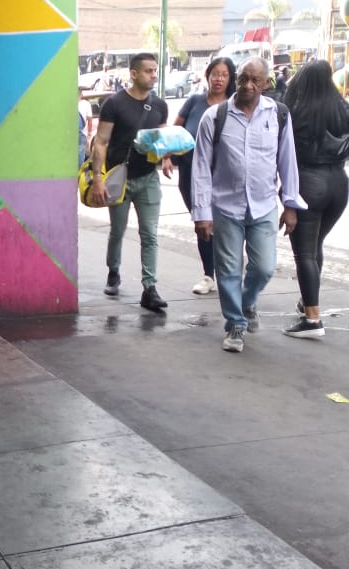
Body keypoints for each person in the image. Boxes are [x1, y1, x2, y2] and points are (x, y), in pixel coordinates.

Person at [191, 57, 306, 354]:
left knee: (265, 267)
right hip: (225, 206)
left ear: (266, 84)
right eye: (243, 78)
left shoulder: (278, 115)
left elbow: (287, 161)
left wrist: (290, 204)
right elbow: (201, 168)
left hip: (264, 204)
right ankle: (235, 324)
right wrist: (202, 214)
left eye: (255, 80)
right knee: (228, 269)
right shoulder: (215, 117)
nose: (247, 85)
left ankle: (247, 301)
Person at [89, 51, 172, 312]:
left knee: (150, 234)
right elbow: (101, 143)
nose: (153, 75)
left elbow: (160, 138)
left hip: (148, 178)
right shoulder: (114, 104)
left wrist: (166, 156)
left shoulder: (160, 105)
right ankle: (113, 271)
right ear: (133, 73)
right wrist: (98, 179)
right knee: (118, 230)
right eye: (148, 71)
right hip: (119, 178)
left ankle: (150, 288)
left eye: (155, 71)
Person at [282, 59, 349, 339]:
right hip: (339, 183)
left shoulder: (296, 111)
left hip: (308, 182)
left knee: (305, 253)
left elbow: (285, 154)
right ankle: (307, 301)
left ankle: (312, 319)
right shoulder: (343, 108)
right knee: (316, 245)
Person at [172, 57, 236, 295]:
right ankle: (209, 275)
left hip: (224, 177)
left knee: (226, 226)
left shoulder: (235, 104)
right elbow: (175, 131)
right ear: (207, 75)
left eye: (224, 74)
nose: (219, 79)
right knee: (203, 222)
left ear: (231, 78)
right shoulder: (194, 102)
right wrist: (168, 156)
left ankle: (229, 272)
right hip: (191, 175)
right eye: (215, 73)